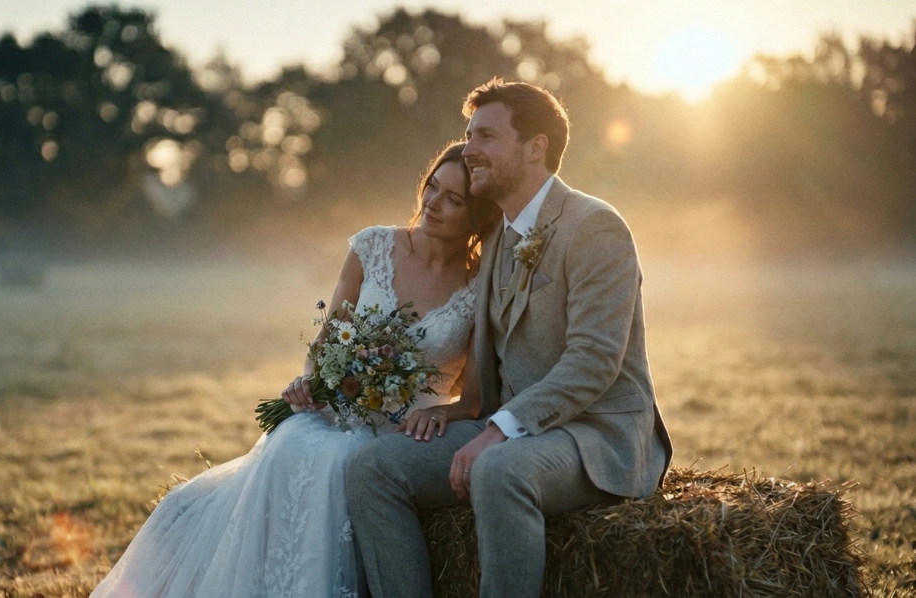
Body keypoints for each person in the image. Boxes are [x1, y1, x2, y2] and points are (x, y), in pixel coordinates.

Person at [89, 142, 501, 598]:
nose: (433, 203)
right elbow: (328, 342)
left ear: (477, 215)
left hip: (405, 432)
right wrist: (311, 381)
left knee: (345, 462)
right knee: (293, 440)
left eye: (453, 199)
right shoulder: (373, 247)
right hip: (340, 409)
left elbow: (476, 399)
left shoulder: (479, 286)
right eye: (432, 187)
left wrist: (446, 413)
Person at [346, 78, 674, 597]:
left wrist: (500, 429)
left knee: (498, 471)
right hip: (515, 429)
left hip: (595, 438)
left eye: (486, 137)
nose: (469, 149)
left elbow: (593, 360)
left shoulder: (595, 227)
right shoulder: (496, 234)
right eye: (469, 134)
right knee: (373, 466)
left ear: (535, 147)